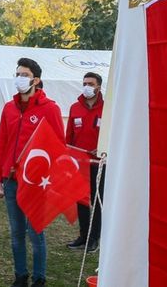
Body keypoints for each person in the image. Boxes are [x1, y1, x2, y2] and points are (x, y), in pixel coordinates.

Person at [0, 58, 65, 287]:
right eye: (18, 74)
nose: (19, 78)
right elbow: (2, 143)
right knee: (16, 233)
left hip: (35, 182)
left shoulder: (50, 108)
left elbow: (58, 147)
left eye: (24, 75)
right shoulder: (9, 108)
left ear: (36, 80)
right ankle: (20, 275)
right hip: (11, 180)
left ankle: (39, 278)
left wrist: (51, 178)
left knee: (35, 232)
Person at [65, 72, 105, 253]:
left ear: (98, 87)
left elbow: (113, 134)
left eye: (90, 84)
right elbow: (69, 136)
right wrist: (67, 156)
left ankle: (94, 238)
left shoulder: (107, 109)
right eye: (84, 83)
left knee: (96, 201)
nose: (87, 87)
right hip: (79, 163)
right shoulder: (75, 108)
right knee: (81, 200)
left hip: (99, 163)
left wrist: (104, 147)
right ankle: (83, 235)